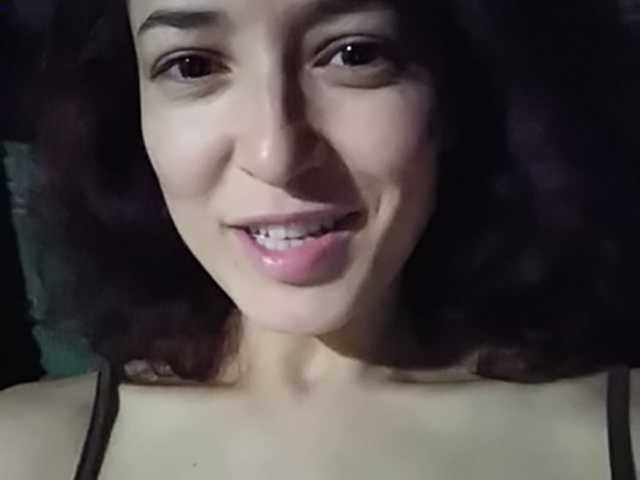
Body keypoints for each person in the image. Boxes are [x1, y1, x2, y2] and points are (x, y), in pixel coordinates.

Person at [1, 0, 639, 479]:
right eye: (192, 65)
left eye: (354, 54)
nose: (276, 155)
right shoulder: (22, 451)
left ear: (457, 90)